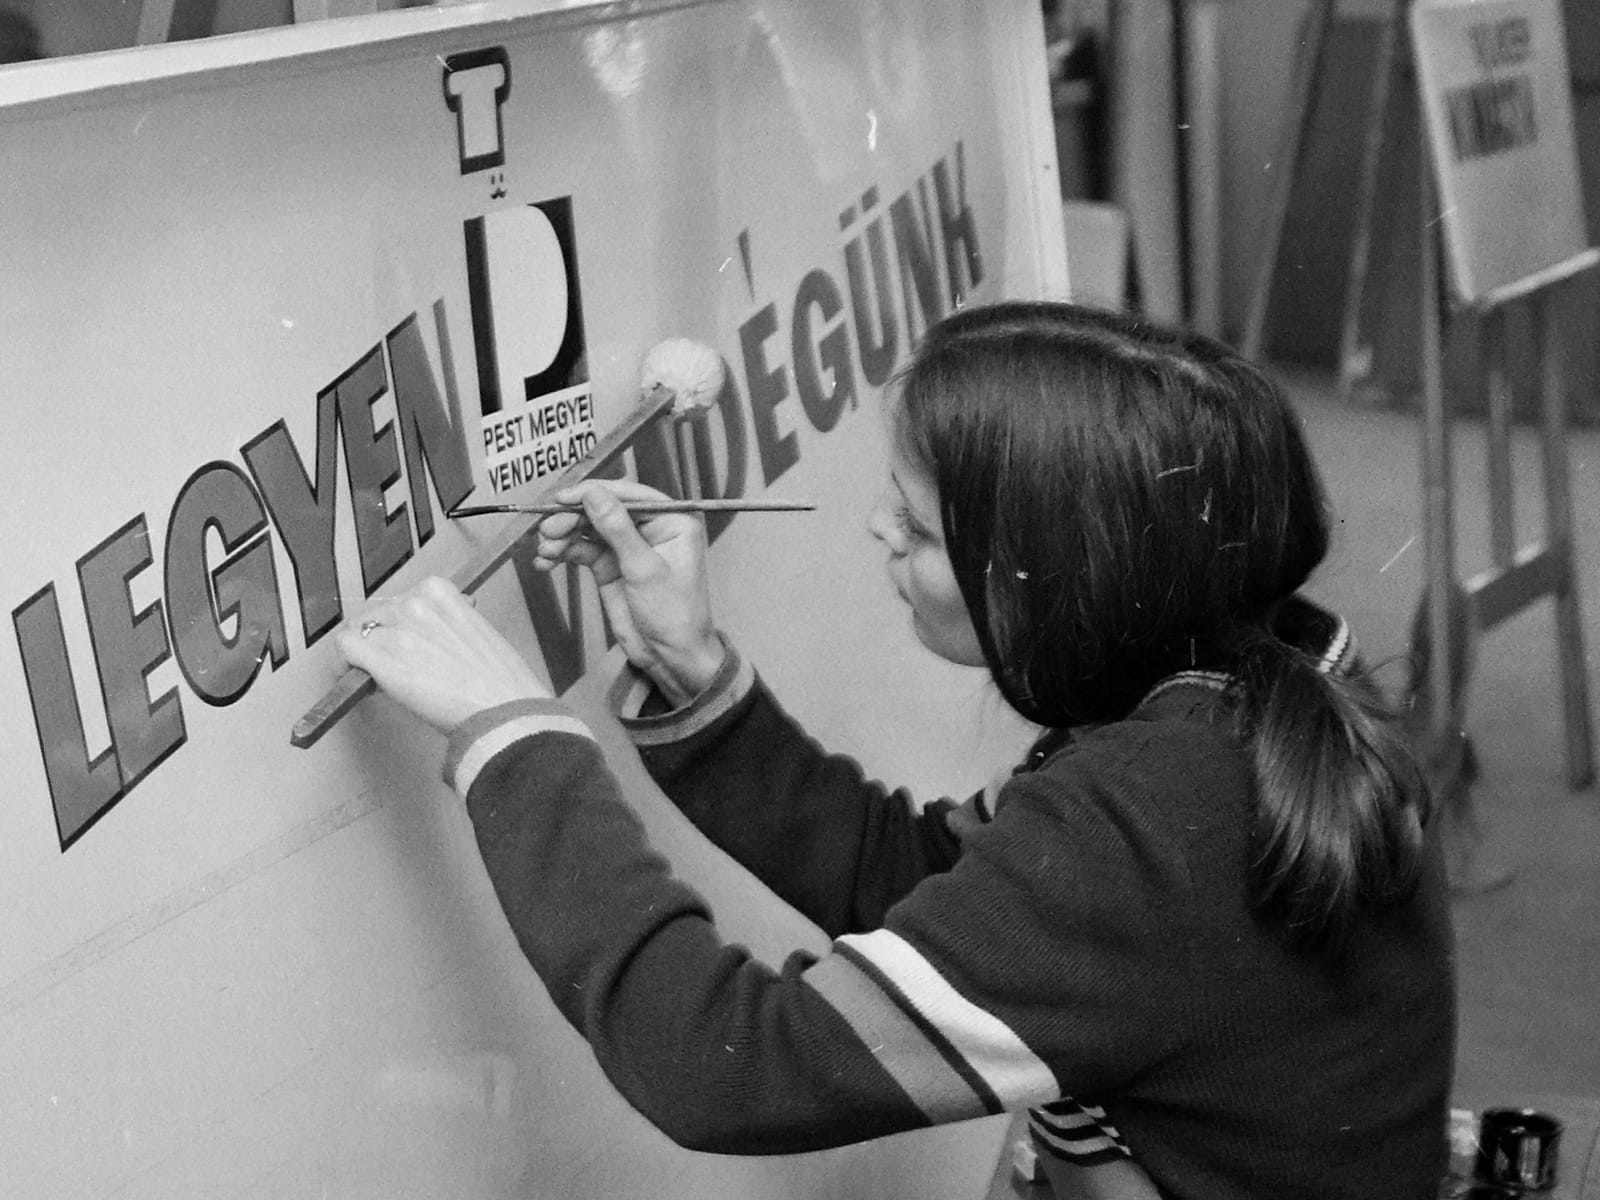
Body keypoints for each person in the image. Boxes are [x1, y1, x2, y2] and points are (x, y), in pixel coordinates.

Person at [336, 301, 1456, 1200]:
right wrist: (696, 673)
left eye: (918, 529)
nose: (879, 530)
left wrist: (520, 744)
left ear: (1052, 586)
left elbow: (721, 1065)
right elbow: (934, 889)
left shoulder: (1155, 820)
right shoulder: (1250, 689)